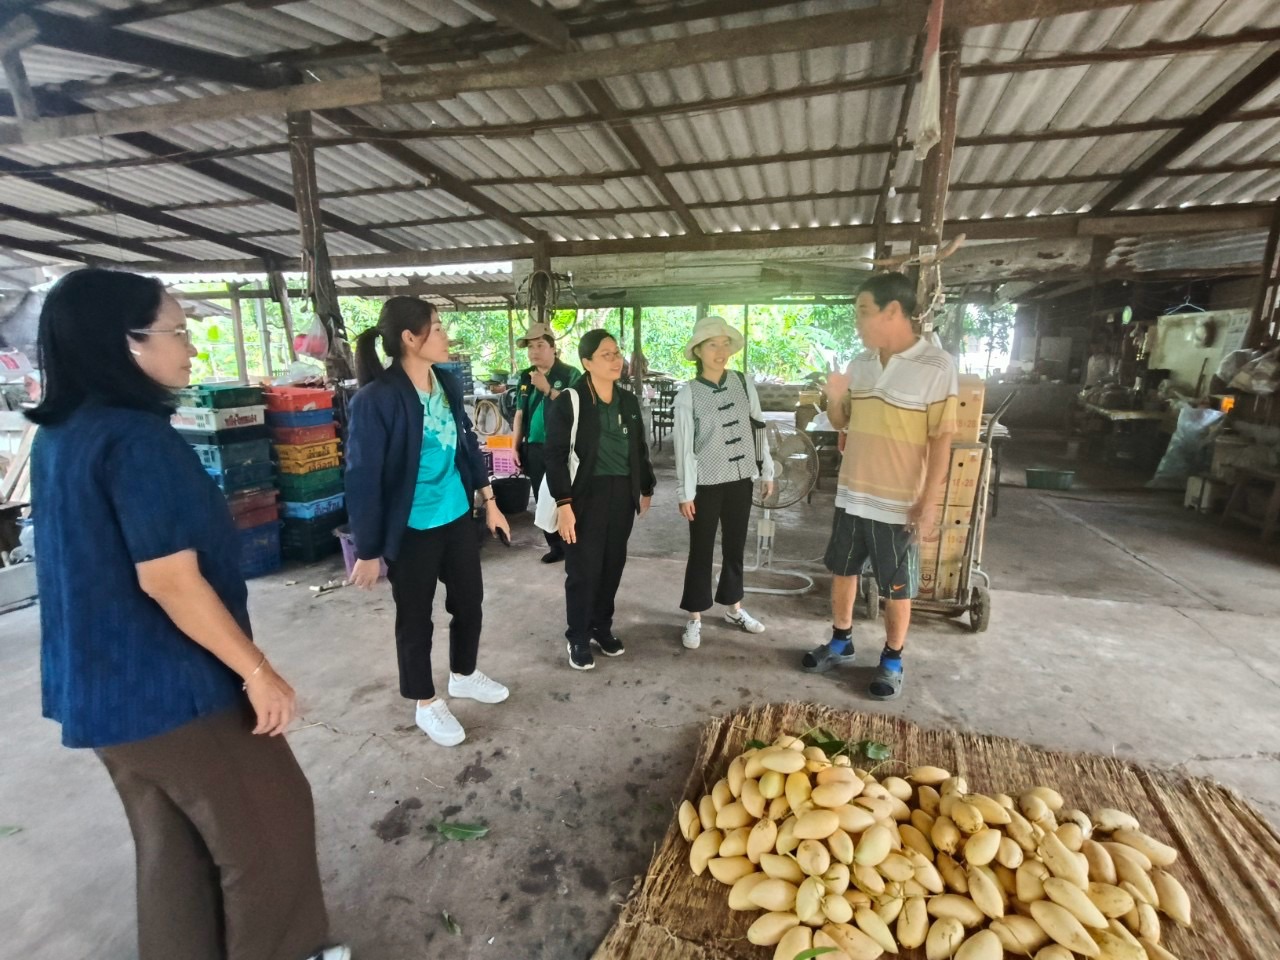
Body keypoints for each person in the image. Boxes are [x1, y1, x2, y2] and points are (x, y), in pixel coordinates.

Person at [28, 269, 346, 960]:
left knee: (171, 848)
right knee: (270, 830)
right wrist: (258, 671)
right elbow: (171, 582)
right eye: (176, 332)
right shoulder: (138, 439)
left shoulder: (62, 435)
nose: (191, 350)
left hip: (101, 695)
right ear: (126, 345)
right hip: (172, 690)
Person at [345, 297, 511, 747]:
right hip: (412, 527)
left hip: (456, 513)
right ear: (409, 338)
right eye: (436, 328)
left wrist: (490, 501)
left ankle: (464, 673)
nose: (444, 335)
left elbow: (467, 447)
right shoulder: (376, 400)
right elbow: (362, 479)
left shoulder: (447, 383)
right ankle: (425, 701)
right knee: (416, 619)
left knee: (469, 602)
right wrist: (368, 549)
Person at [800, 272, 958, 701]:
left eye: (863, 312)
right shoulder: (861, 363)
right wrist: (835, 396)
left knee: (896, 587)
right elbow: (841, 422)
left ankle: (892, 659)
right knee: (843, 571)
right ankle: (841, 641)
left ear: (893, 312)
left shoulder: (937, 366)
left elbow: (942, 440)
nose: (857, 322)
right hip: (853, 494)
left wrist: (929, 503)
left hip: (898, 502)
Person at [544, 330, 655, 671]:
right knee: (583, 568)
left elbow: (639, 448)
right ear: (587, 362)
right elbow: (555, 455)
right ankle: (577, 635)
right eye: (606, 354)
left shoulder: (628, 401)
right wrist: (564, 504)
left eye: (617, 352)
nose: (616, 359)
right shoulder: (570, 401)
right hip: (583, 496)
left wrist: (646, 487)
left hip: (621, 494)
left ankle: (601, 628)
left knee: (612, 564)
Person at [673, 316, 776, 650]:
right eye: (712, 344)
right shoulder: (688, 394)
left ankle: (734, 608)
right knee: (701, 550)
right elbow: (684, 447)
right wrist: (685, 492)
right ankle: (694, 617)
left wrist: (766, 470)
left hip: (740, 479)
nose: (721, 351)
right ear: (698, 351)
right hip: (706, 483)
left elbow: (758, 427)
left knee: (735, 546)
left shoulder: (743, 383)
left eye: (724, 343)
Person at [511, 322, 577, 563]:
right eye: (530, 347)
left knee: (565, 496)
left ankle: (572, 545)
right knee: (542, 498)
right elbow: (519, 412)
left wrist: (548, 389)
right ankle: (555, 547)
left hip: (564, 448)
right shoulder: (525, 376)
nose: (534, 351)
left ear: (553, 348)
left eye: (540, 345)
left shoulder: (570, 374)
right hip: (535, 448)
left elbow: (576, 410)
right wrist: (515, 446)